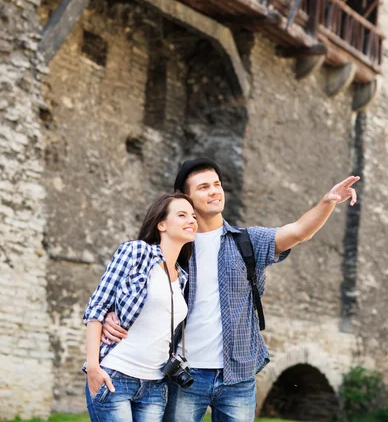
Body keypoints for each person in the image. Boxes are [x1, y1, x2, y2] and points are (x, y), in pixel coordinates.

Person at [101, 158, 359, 422]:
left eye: (217, 184)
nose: (214, 191)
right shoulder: (173, 247)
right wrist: (111, 313)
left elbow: (299, 231)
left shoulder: (248, 241)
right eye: (203, 187)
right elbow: (131, 287)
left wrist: (328, 202)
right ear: (186, 199)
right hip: (184, 374)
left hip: (238, 375)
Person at [83, 192, 197, 422]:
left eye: (193, 216)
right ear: (161, 224)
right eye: (182, 214)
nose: (191, 220)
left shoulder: (182, 276)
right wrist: (94, 368)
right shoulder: (136, 252)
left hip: (155, 386)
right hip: (115, 376)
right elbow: (96, 307)